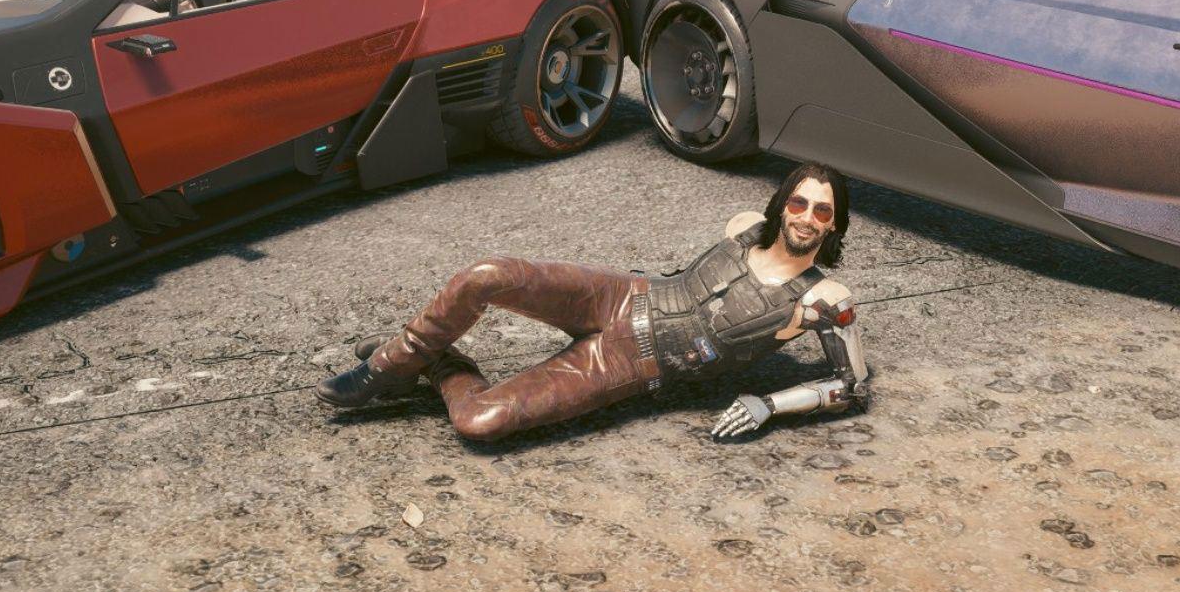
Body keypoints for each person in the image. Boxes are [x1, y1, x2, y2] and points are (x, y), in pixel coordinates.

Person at [318, 163, 872, 443]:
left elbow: (852, 386)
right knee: (488, 275)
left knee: (479, 421)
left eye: (822, 211)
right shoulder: (744, 226)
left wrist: (769, 406)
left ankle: (439, 363)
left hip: (632, 363)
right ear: (781, 205)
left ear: (835, 224)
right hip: (624, 295)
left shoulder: (826, 300)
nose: (806, 217)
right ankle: (389, 367)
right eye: (798, 203)